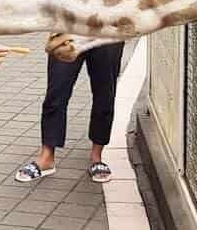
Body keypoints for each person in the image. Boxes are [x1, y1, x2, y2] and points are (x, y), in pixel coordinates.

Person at [15, 41, 124, 184]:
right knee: (56, 93)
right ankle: (46, 158)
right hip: (69, 29)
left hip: (106, 29)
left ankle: (96, 156)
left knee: (105, 94)